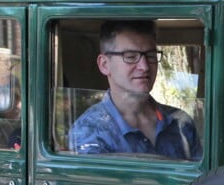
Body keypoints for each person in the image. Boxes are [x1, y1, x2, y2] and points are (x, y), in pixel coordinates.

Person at [69, 20, 199, 159]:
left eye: (150, 56)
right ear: (104, 65)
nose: (144, 66)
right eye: (131, 57)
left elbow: (206, 179)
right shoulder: (89, 131)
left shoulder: (180, 123)